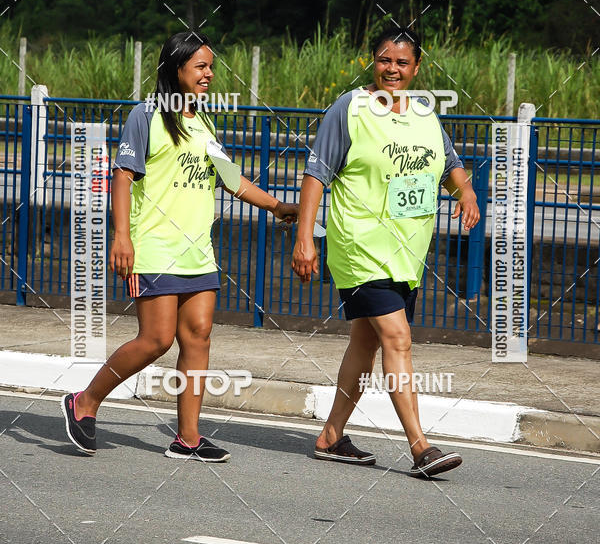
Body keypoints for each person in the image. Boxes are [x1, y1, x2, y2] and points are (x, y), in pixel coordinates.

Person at [62, 31, 297, 462]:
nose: (210, 74)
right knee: (155, 340)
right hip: (153, 245)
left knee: (199, 337)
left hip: (197, 251)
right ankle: (85, 402)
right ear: (177, 70)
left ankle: (187, 438)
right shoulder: (146, 114)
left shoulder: (202, 121)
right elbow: (123, 176)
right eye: (201, 67)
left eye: (211, 67)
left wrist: (278, 206)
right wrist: (121, 236)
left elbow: (231, 179)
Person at [292, 27, 480, 477]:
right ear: (371, 61)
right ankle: (421, 447)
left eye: (402, 62)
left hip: (407, 253)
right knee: (397, 338)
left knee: (366, 342)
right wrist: (305, 237)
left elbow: (450, 162)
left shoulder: (424, 112)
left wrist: (466, 192)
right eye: (384, 60)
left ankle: (331, 435)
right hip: (359, 245)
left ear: (417, 68)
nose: (392, 69)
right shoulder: (350, 108)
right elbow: (317, 173)